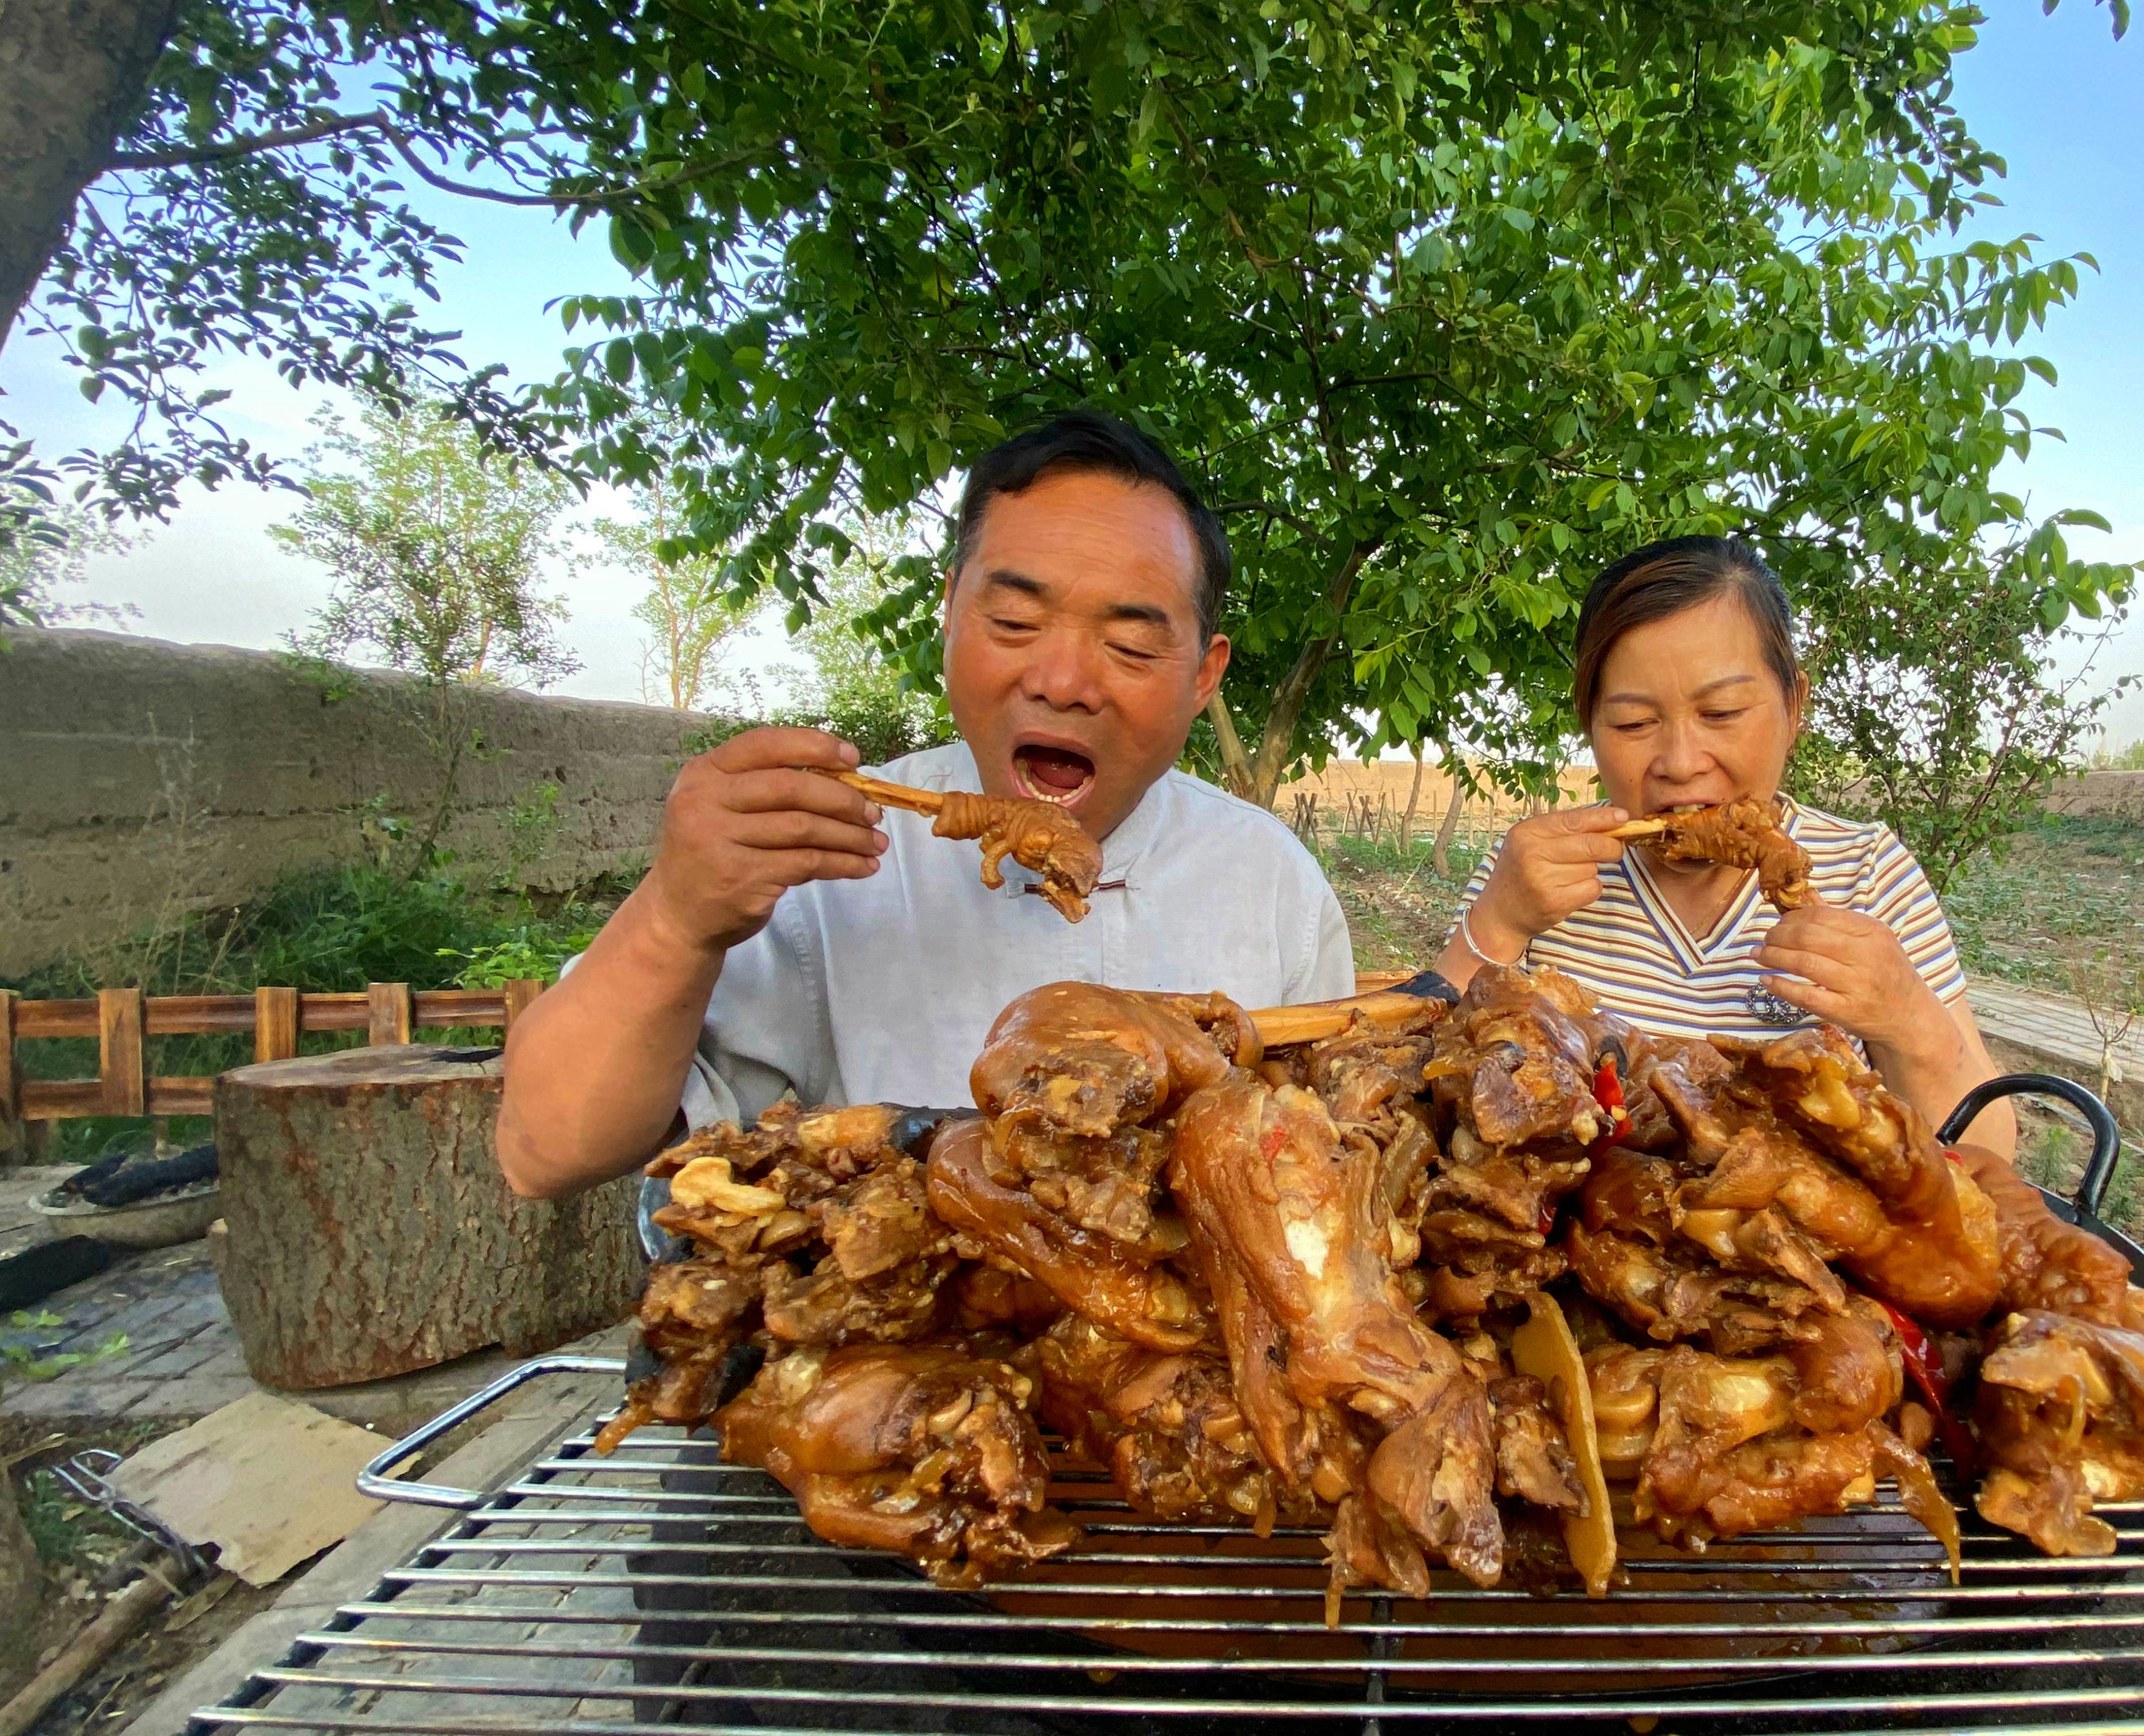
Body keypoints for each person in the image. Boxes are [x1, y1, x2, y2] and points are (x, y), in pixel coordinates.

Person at [496, 412, 1355, 1200]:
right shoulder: (830, 859)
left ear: (1202, 676)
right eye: (1015, 622)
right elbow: (547, 1152)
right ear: (948, 610)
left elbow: (1321, 1156)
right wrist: (675, 919)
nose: (1060, 681)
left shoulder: (1265, 874)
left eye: (1129, 643)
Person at [1437, 534, 2016, 1158]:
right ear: (1591, 727)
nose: (1681, 763)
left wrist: (1906, 1018)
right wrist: (1497, 924)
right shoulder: (1534, 873)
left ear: (1794, 707)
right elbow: (1429, 1082)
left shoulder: (1866, 874)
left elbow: (1987, 1155)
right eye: (1634, 723)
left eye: (1721, 712)